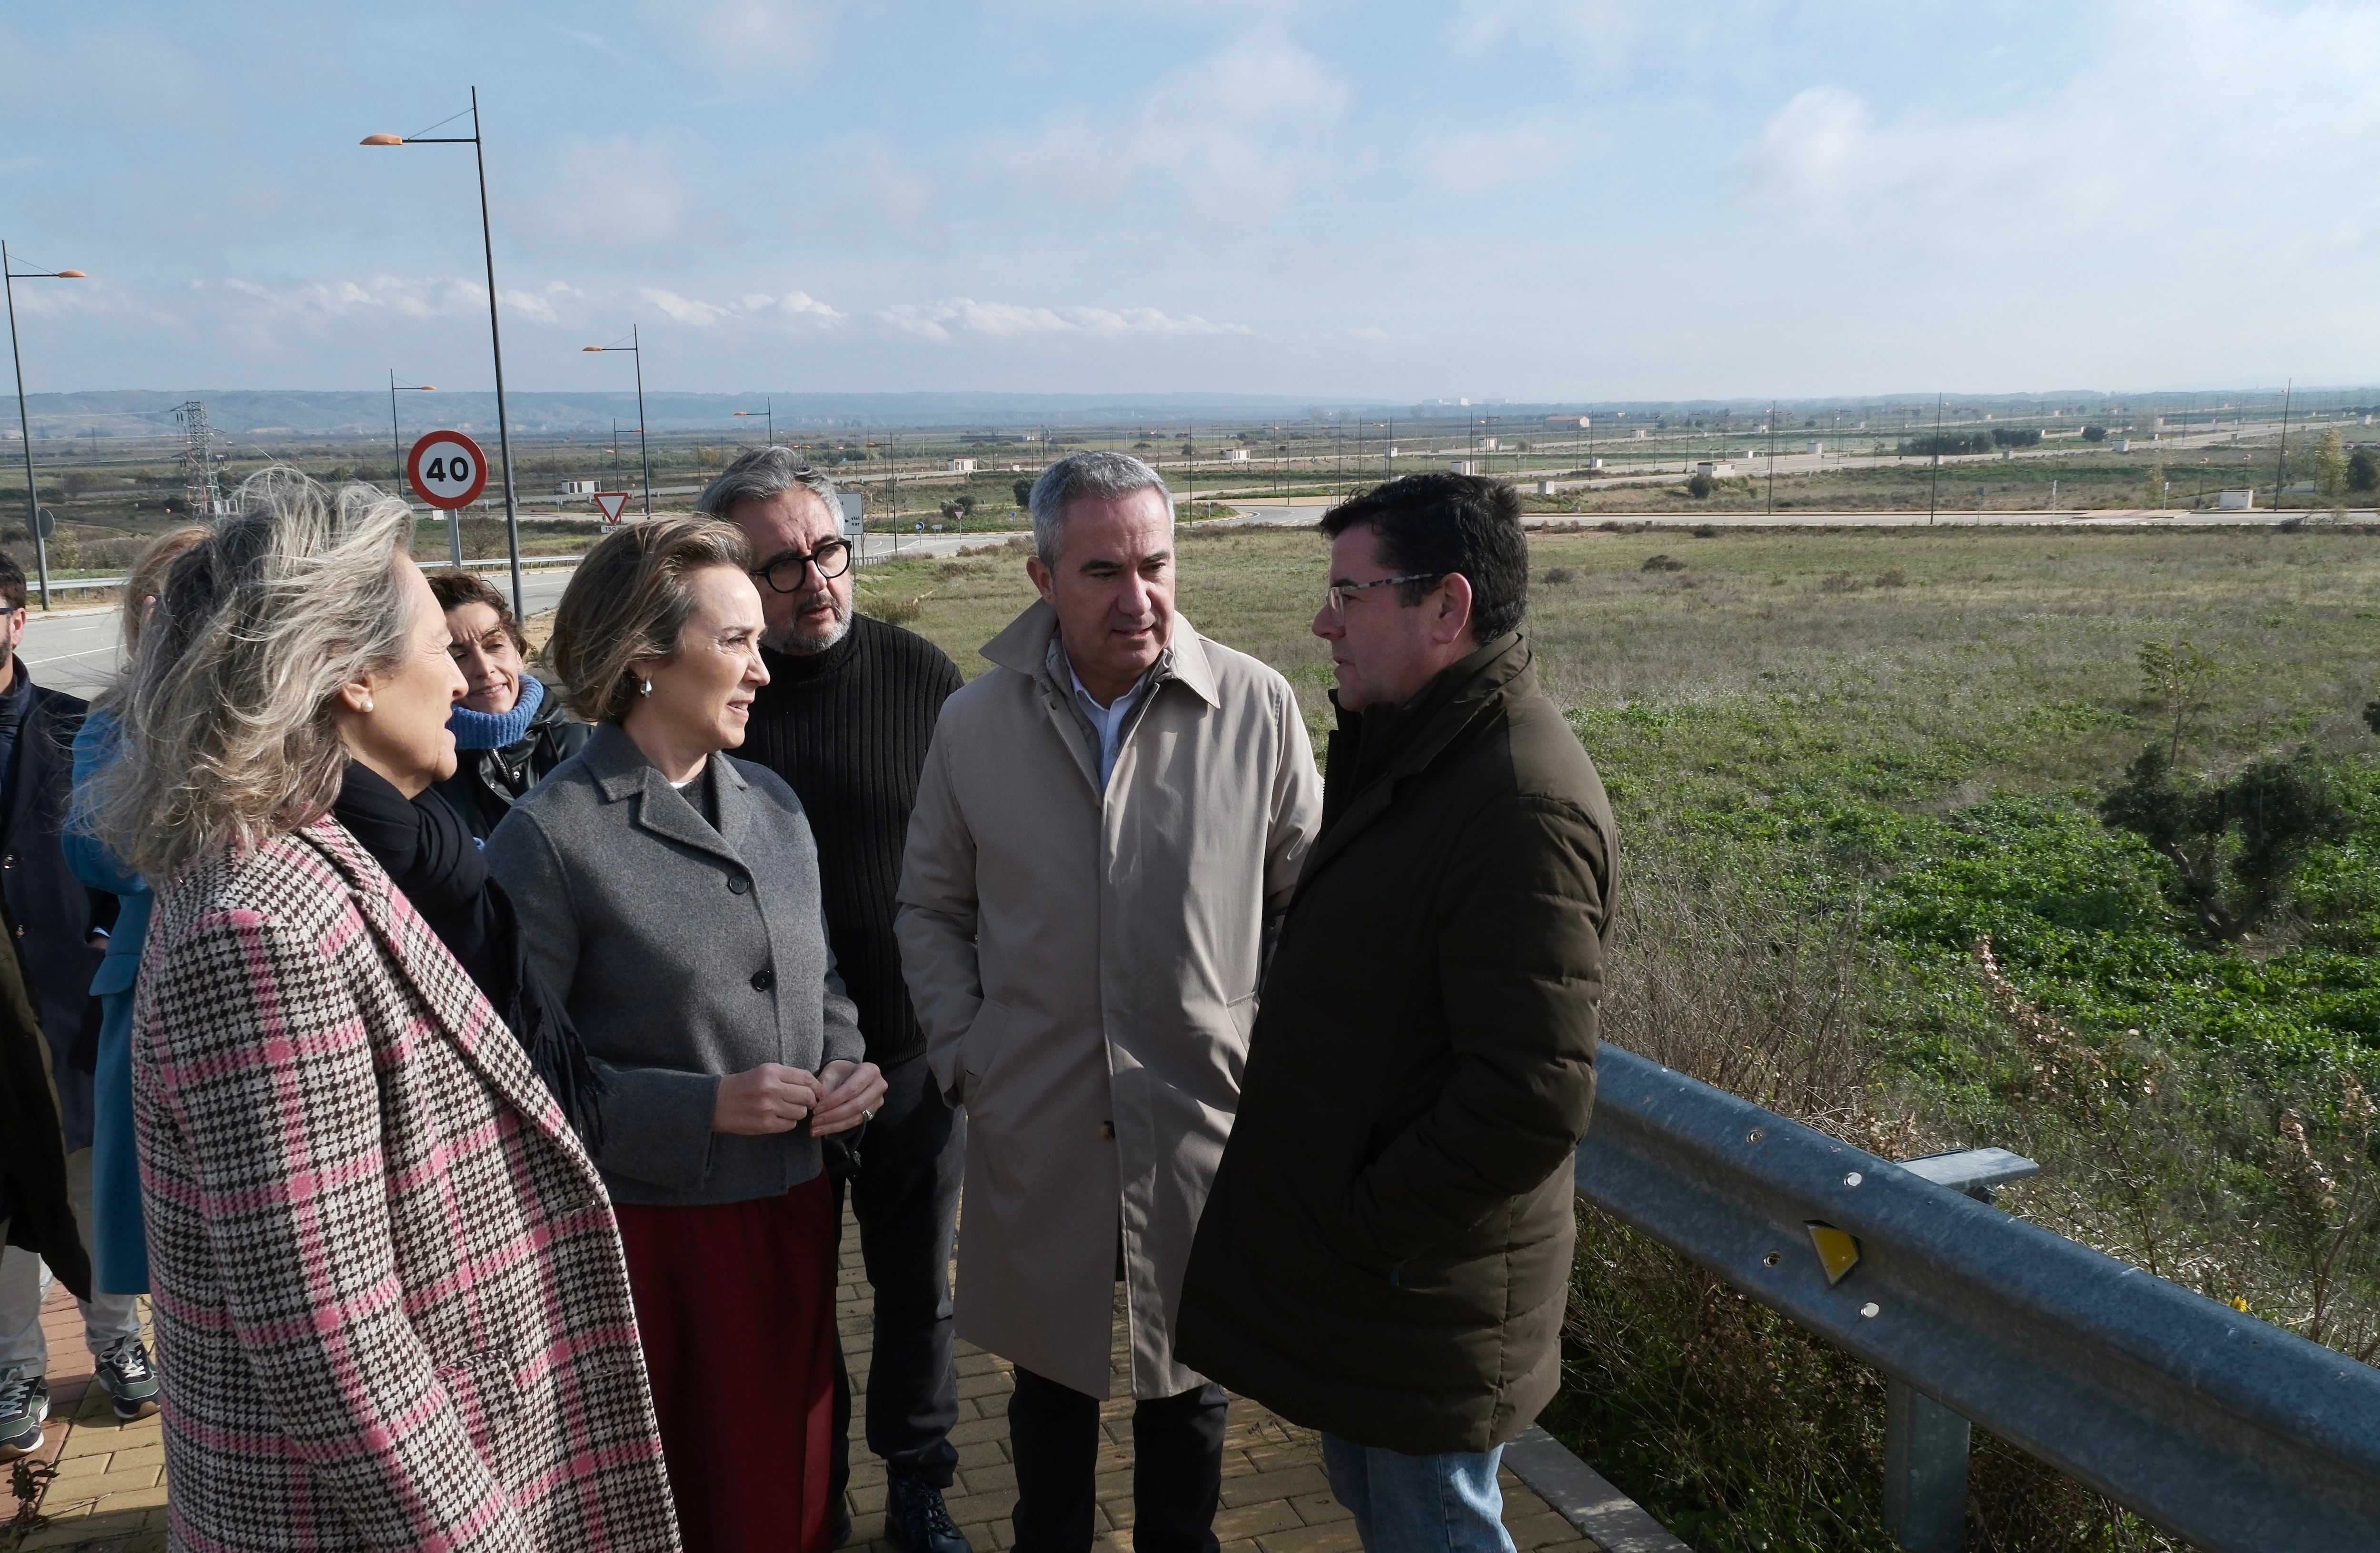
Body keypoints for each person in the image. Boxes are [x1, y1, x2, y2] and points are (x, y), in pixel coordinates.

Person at [87, 470, 679, 1550]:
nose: (463, 672)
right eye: (435, 643)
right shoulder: (259, 932)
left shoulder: (318, 864)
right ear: (353, 675)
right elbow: (330, 1342)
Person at [1176, 474, 1616, 1553]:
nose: (1323, 622)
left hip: (1422, 1294)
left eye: (1349, 594)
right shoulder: (1414, 754)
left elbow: (1528, 1097)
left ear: (1446, 609)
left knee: (1436, 1534)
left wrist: (1365, 1225)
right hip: (1386, 1291)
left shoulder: (1517, 801)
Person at [897, 451, 1322, 1553]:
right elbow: (930, 910)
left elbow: (1309, 916)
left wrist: (1261, 1059)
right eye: (1101, 571)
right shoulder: (974, 725)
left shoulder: (1256, 709)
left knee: (1192, 1402)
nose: (1137, 598)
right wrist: (968, 1054)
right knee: (1047, 1413)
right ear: (1041, 576)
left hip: (1200, 1120)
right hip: (1034, 1116)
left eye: (1155, 565)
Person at [488, 516, 885, 1553]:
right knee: (701, 1501)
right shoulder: (550, 837)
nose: (761, 665)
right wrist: (700, 1105)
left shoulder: (774, 803)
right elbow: (510, 1080)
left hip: (797, 1210)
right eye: (734, 641)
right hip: (655, 1244)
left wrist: (845, 1060)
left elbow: (823, 971)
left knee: (796, 1488)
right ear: (643, 658)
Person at [697, 447, 970, 1552]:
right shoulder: (715, 699)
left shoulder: (921, 676)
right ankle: (812, 1501)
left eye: (828, 550)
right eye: (779, 566)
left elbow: (979, 862)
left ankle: (920, 1485)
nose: (815, 581)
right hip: (766, 1078)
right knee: (790, 1309)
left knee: (919, 1299)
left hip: (909, 1060)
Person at [0, 550, 149, 1457]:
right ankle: (13, 1366)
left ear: (17, 616)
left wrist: (101, 939)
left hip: (70, 998)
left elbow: (114, 841)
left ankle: (117, 1341)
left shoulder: (69, 725)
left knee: (93, 1187)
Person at [62, 524, 208, 1315]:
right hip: (150, 970)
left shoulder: (282, 708)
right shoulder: (115, 720)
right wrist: (163, 696)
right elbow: (103, 853)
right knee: (171, 1234)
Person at [426, 569, 590, 840]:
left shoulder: (586, 748)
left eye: (494, 645)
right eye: (459, 655)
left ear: (518, 655)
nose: (484, 668)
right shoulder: (427, 779)